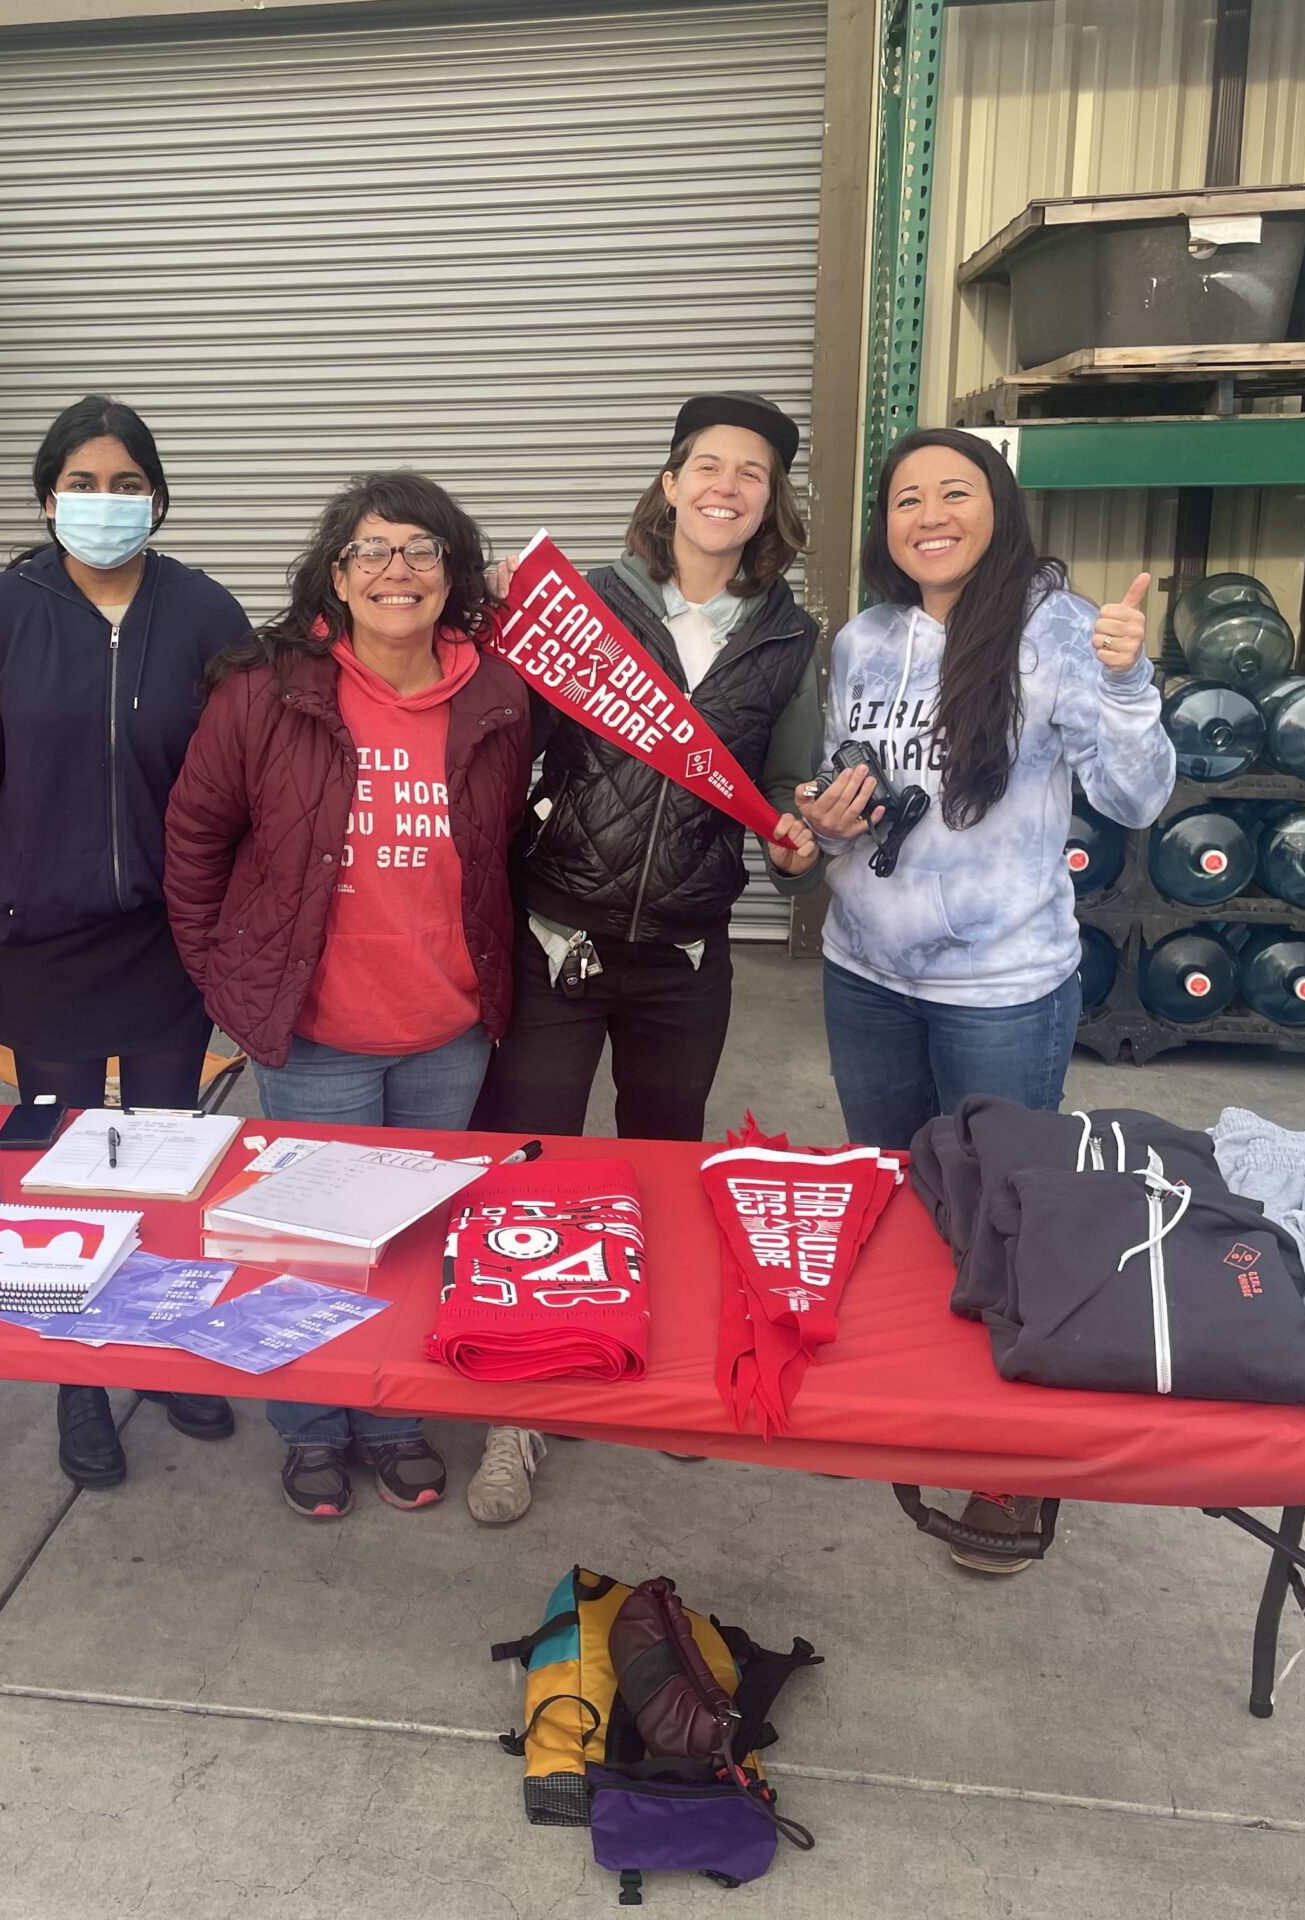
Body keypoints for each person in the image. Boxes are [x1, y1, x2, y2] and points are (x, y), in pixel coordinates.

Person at [796, 425, 1171, 1574]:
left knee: (1006, 1220)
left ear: (998, 507)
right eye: (906, 499)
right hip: (866, 972)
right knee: (897, 1203)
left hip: (1001, 989)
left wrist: (1124, 681)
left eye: (954, 492)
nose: (929, 515)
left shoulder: (1060, 632)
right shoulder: (862, 639)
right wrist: (824, 814)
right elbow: (828, 785)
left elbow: (1137, 798)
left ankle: (1005, 1468)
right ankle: (911, 1406)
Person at [464, 391, 823, 1526]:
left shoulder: (788, 633)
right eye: (705, 464)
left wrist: (799, 842)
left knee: (667, 1170)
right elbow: (489, 738)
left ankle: (660, 1383)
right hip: (557, 940)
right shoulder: (578, 609)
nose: (726, 486)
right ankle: (515, 1407)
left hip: (685, 953)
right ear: (668, 484)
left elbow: (788, 791)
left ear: (771, 500)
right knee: (534, 1171)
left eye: (751, 472)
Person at [166, 473, 531, 1521]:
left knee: (414, 1244)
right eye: (369, 551)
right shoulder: (269, 690)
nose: (395, 571)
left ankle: (396, 1420)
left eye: (420, 550)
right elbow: (194, 839)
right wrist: (226, 977)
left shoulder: (498, 695)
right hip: (318, 1034)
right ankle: (315, 1428)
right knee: (318, 1251)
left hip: (445, 1032)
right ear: (334, 574)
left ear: (453, 571)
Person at [0, 395, 253, 1491]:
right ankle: (81, 1378)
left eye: (128, 486)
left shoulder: (210, 614)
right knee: (70, 1169)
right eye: (83, 483)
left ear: (159, 498)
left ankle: (165, 1344)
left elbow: (246, 790)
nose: (105, 504)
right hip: (42, 941)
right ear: (45, 496)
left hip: (170, 942)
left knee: (171, 1154)